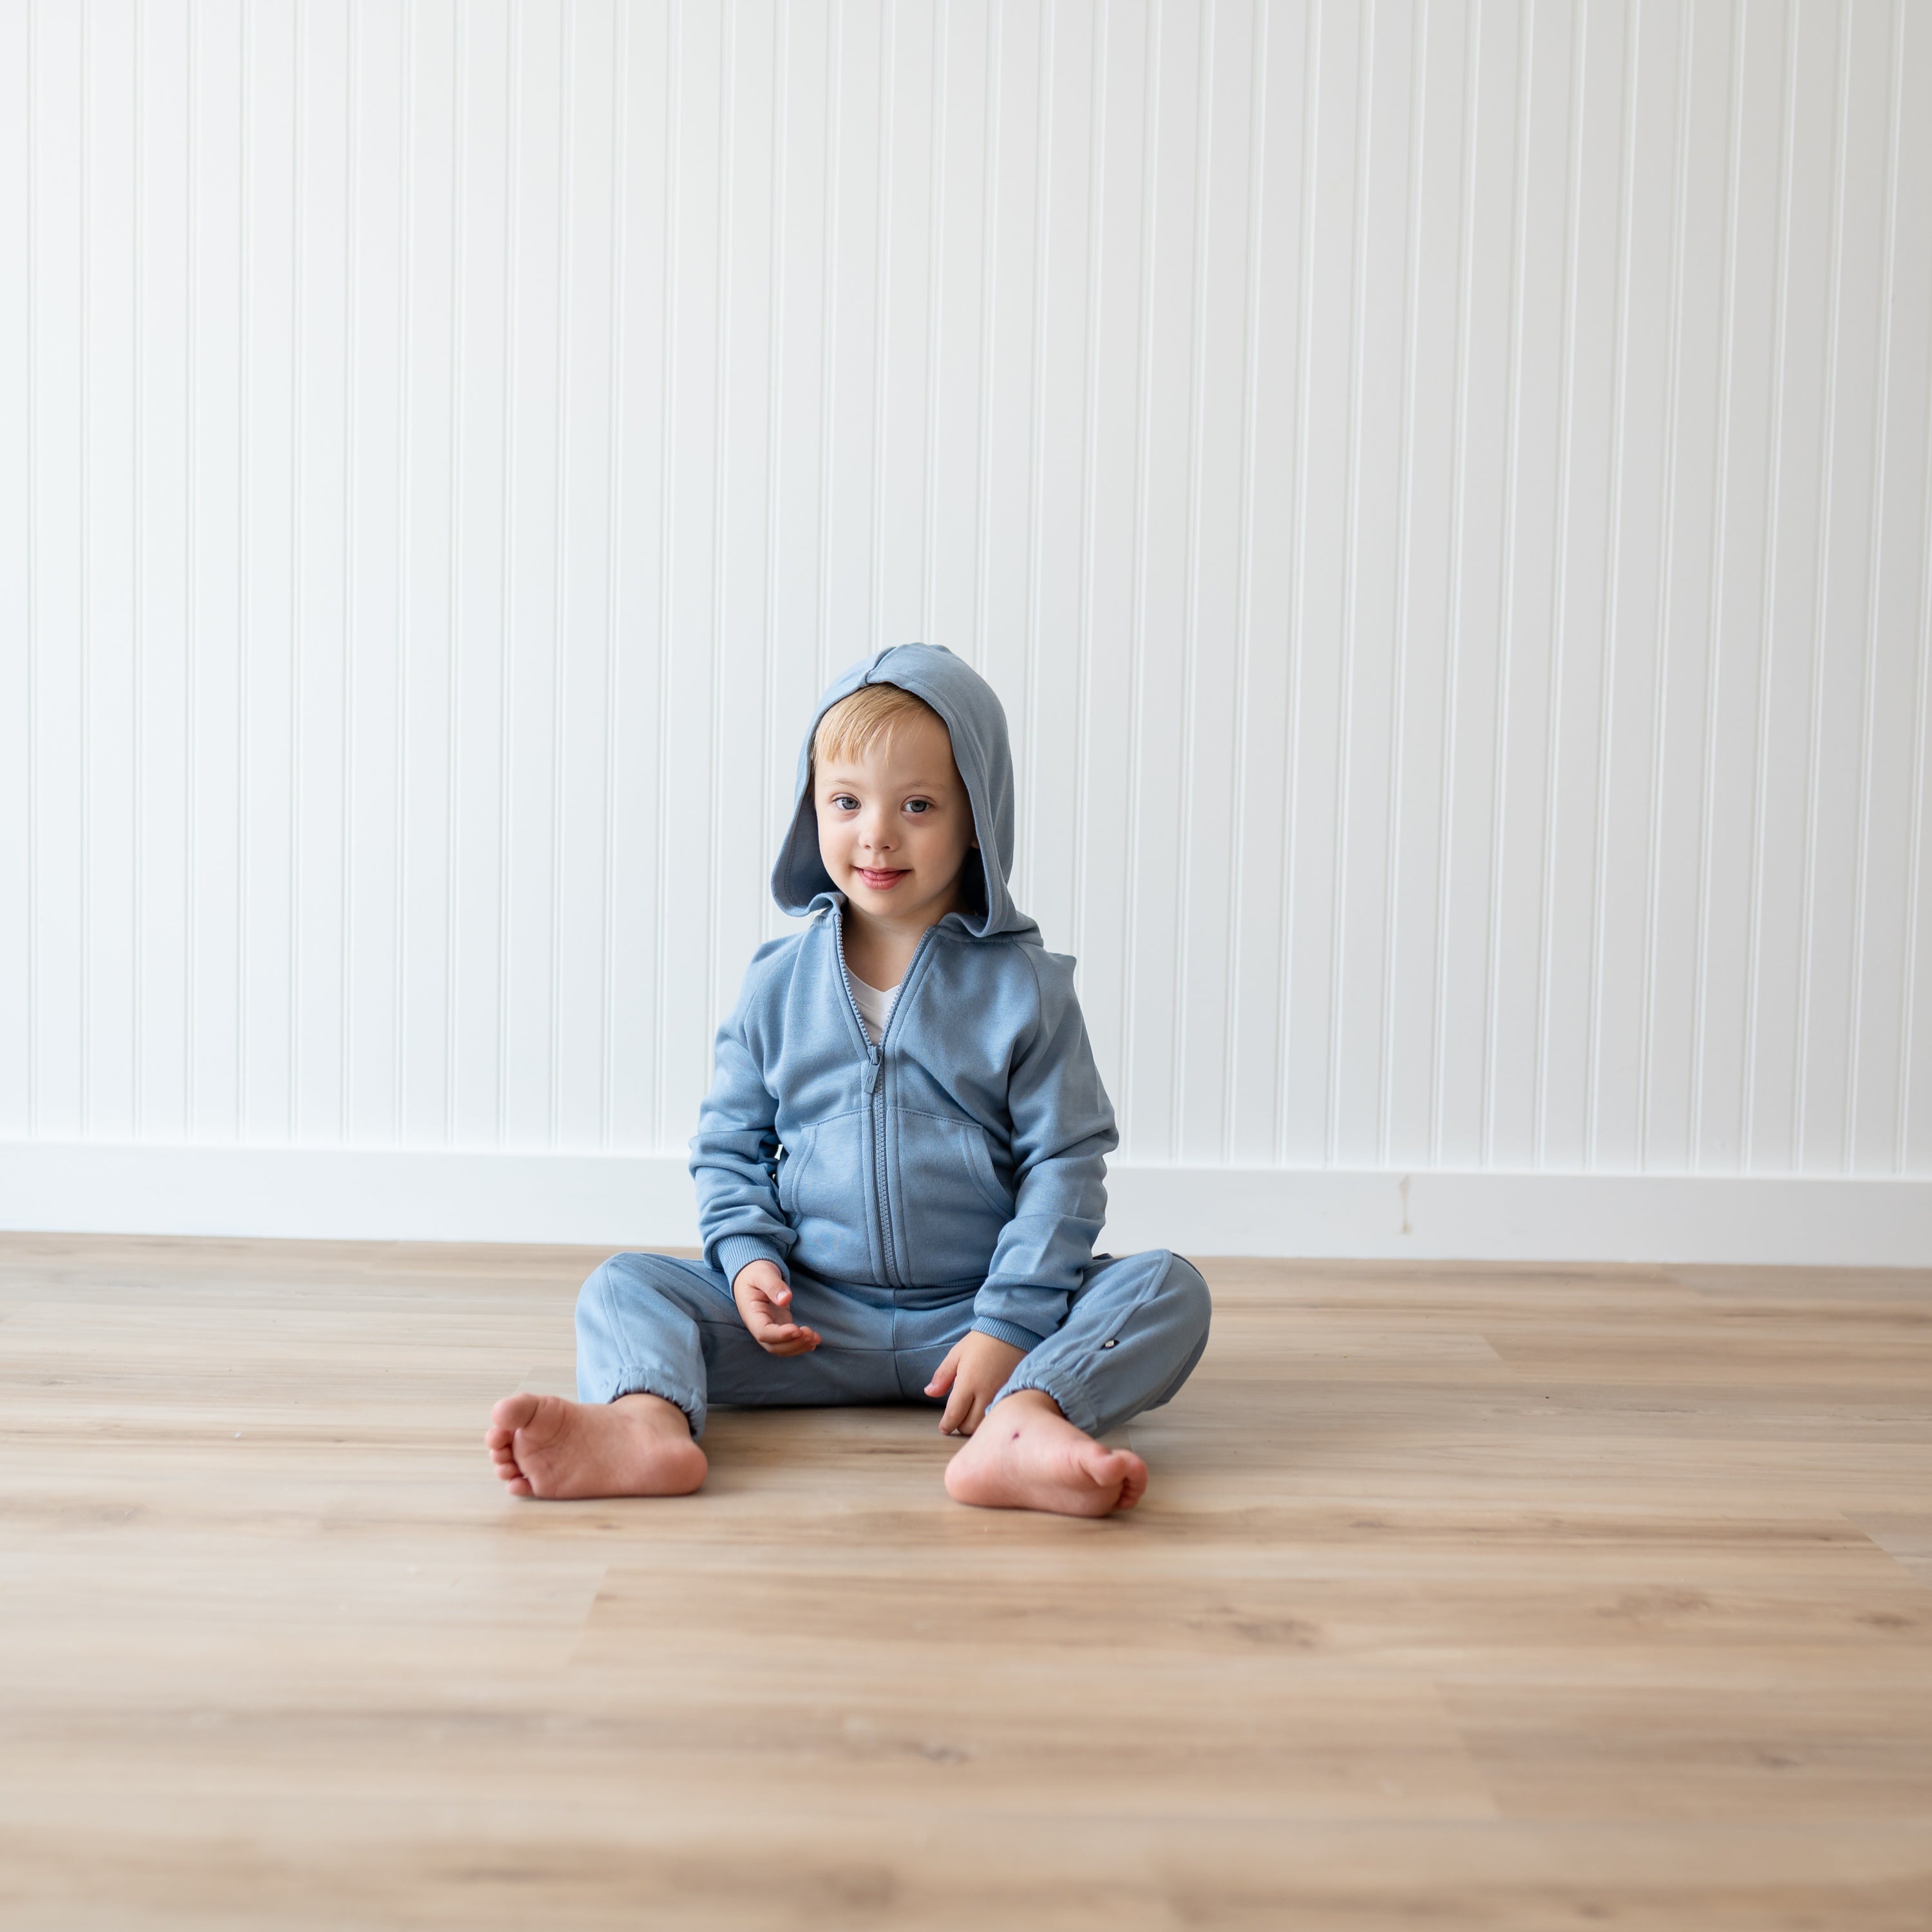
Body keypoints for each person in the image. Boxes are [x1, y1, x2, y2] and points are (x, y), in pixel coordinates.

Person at [485, 645, 1211, 1516]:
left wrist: (1008, 1326)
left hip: (975, 1317)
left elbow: (1065, 1167)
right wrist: (750, 1260)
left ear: (977, 816)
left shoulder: (1027, 992)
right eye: (847, 803)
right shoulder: (777, 984)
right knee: (623, 1286)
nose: (877, 833)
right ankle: (645, 1422)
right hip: (812, 1323)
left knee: (1169, 1288)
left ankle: (1025, 1417)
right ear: (812, 812)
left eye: (917, 805)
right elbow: (729, 1147)